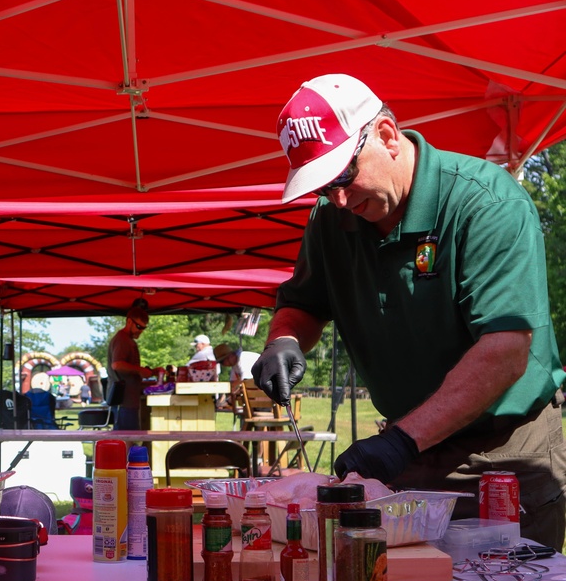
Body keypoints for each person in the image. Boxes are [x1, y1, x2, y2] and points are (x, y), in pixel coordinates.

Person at [251, 73, 566, 548]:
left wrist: (400, 441)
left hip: (504, 453)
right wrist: (285, 339)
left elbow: (504, 349)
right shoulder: (334, 218)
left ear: (386, 136)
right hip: (410, 452)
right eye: (322, 188)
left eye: (343, 176)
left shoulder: (484, 203)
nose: (338, 199)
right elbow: (302, 302)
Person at [107, 306, 154, 430]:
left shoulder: (127, 340)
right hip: (123, 401)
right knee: (126, 439)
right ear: (129, 321)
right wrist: (139, 370)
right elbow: (117, 364)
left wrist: (149, 372)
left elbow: (128, 369)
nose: (140, 331)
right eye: (138, 327)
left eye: (143, 328)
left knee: (130, 439)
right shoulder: (122, 340)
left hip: (127, 401)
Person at [212, 343, 243, 410]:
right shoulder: (235, 366)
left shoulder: (243, 361)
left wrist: (227, 399)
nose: (223, 365)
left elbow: (247, 383)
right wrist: (225, 400)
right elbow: (232, 384)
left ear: (230, 356)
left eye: (222, 362)